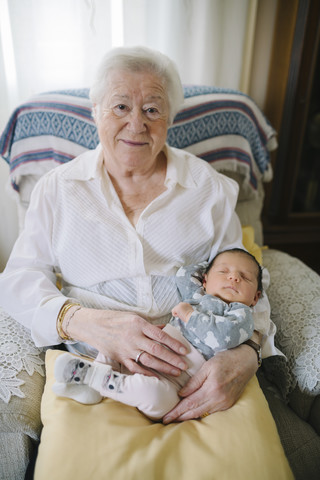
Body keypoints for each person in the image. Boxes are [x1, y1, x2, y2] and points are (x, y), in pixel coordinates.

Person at [0, 46, 277, 425]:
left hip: (195, 362)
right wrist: (82, 321)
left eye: (151, 109)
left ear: (170, 118)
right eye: (120, 107)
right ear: (95, 110)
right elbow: (18, 280)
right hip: (90, 363)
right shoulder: (57, 189)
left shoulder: (208, 189)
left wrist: (248, 353)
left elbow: (244, 277)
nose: (136, 124)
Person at [53, 248, 263, 420]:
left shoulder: (241, 314)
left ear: (255, 297)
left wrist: (190, 316)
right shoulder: (197, 295)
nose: (234, 277)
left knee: (156, 400)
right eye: (224, 271)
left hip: (177, 380)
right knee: (115, 344)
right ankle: (94, 379)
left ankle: (98, 378)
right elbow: (183, 274)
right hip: (147, 348)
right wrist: (208, 268)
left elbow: (223, 337)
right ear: (205, 281)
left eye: (244, 277)